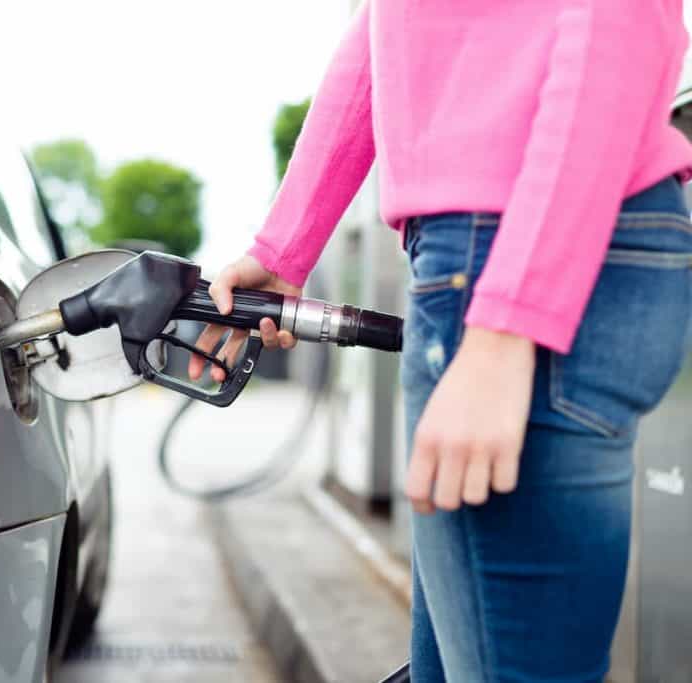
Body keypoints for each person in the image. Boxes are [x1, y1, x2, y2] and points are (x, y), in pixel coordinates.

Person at [187, 1, 692, 680]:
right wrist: (284, 249)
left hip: (513, 239)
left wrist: (510, 320)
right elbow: (386, 25)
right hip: (496, 244)